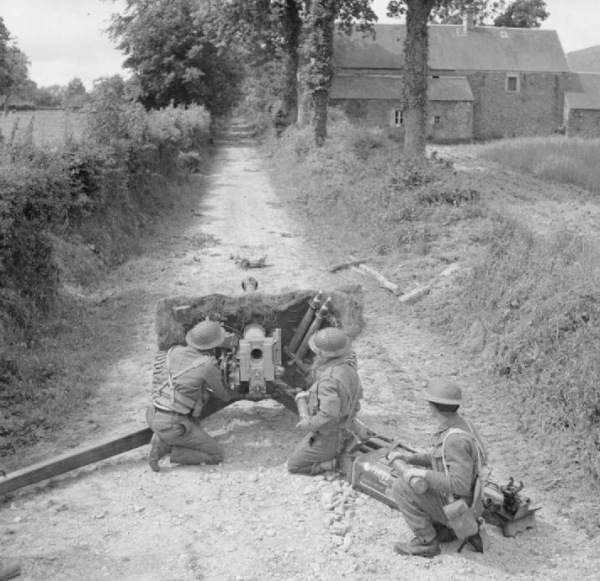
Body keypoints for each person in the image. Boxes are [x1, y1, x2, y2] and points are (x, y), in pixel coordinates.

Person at [388, 378, 488, 558]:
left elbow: (459, 484)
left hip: (459, 504)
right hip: (469, 499)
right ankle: (444, 527)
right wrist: (411, 458)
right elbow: (440, 457)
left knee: (400, 487)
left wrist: (422, 473)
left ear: (433, 408)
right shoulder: (462, 426)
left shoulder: (454, 440)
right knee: (413, 481)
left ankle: (427, 542)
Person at [146, 320, 235, 472]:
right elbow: (224, 396)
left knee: (200, 393)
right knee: (217, 455)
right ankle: (165, 448)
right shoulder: (207, 364)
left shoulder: (173, 351)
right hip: (173, 424)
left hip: (152, 413)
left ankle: (164, 437)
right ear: (213, 345)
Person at [287, 327, 363, 475]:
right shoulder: (348, 368)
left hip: (330, 436)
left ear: (320, 354)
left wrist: (307, 423)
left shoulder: (328, 379)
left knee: (294, 465)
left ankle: (334, 463)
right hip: (346, 427)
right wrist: (309, 396)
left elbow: (330, 414)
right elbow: (349, 398)